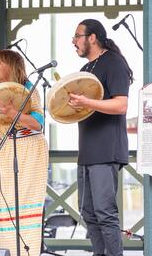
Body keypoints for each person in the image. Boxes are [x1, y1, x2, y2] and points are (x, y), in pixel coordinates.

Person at [69, 19, 133, 256]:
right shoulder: (86, 70)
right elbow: (87, 107)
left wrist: (85, 102)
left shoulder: (113, 63)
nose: (73, 42)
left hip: (106, 150)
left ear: (92, 38)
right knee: (88, 212)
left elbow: (121, 105)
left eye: (77, 36)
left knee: (105, 213)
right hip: (86, 151)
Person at [0, 49, 48, 256]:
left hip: (28, 149)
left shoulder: (28, 88)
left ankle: (28, 253)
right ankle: (10, 252)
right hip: (6, 148)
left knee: (25, 206)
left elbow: (38, 123)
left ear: (12, 65)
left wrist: (11, 112)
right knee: (5, 205)